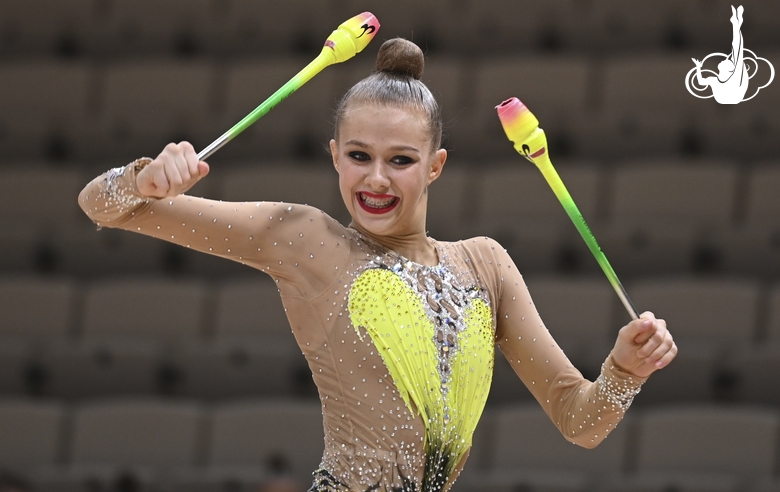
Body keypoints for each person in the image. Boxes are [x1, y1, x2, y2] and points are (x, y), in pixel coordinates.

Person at [79, 38, 676, 492]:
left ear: (435, 165)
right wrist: (144, 178)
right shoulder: (305, 238)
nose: (377, 179)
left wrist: (625, 369)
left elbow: (582, 423)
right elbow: (100, 207)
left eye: (401, 160)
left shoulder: (486, 266)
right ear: (334, 156)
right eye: (359, 156)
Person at [692, 5, 748, 104]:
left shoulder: (727, 79)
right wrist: (698, 67)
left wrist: (698, 67)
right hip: (730, 96)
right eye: (728, 60)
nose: (725, 59)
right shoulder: (717, 80)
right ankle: (736, 23)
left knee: (737, 51)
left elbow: (738, 50)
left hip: (732, 95)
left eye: (727, 61)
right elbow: (701, 82)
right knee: (737, 52)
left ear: (728, 69)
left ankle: (736, 23)